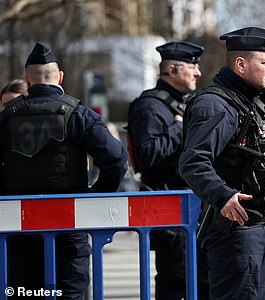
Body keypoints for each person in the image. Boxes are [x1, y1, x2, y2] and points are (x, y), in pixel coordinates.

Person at [0, 42, 128, 299]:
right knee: (70, 292)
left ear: (28, 79)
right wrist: (95, 195)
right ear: (60, 77)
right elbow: (116, 158)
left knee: (25, 293)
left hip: (19, 228)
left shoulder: (7, 116)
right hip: (69, 225)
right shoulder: (77, 113)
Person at [178, 27, 265, 300]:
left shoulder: (247, 103)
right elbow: (193, 161)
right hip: (234, 232)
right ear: (241, 64)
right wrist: (224, 195)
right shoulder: (217, 105)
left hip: (252, 228)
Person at [127, 40, 206, 300]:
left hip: (192, 209)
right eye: (192, 67)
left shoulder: (182, 103)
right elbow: (147, 155)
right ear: (172, 69)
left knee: (199, 280)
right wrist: (178, 128)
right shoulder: (149, 107)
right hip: (170, 210)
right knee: (176, 282)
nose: (198, 73)